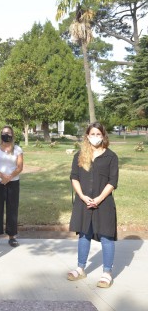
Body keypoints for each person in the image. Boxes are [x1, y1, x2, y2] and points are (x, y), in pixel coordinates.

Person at [67, 122, 118, 288]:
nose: (95, 137)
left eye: (98, 134)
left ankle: (107, 272)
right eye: (92, 134)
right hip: (84, 202)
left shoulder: (111, 157)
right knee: (84, 234)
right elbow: (74, 177)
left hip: (104, 203)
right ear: (87, 136)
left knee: (106, 236)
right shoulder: (80, 155)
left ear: (103, 136)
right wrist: (82, 196)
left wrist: (99, 199)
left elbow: (112, 181)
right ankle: (80, 269)